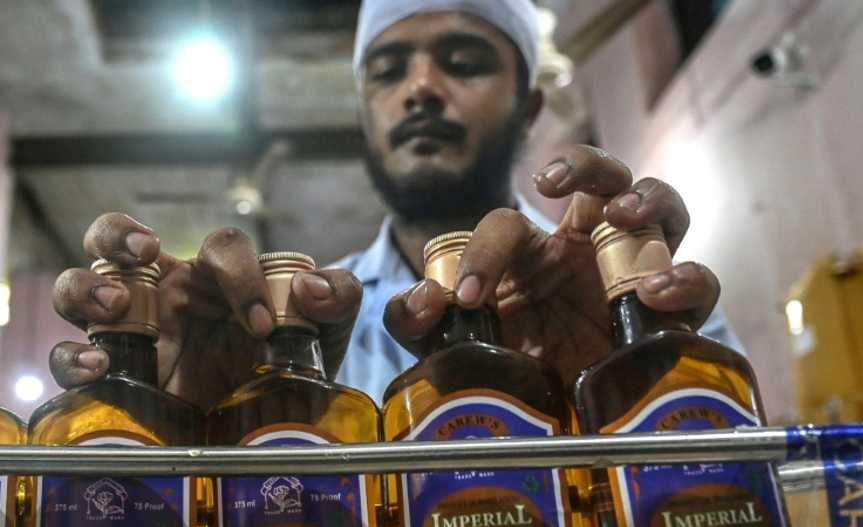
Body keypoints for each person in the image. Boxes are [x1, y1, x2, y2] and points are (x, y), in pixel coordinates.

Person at [48, 0, 732, 411]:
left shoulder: (639, 302)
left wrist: (622, 383)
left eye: (463, 62)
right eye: (387, 71)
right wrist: (187, 429)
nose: (421, 88)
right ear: (365, 117)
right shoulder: (298, 323)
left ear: (529, 108)